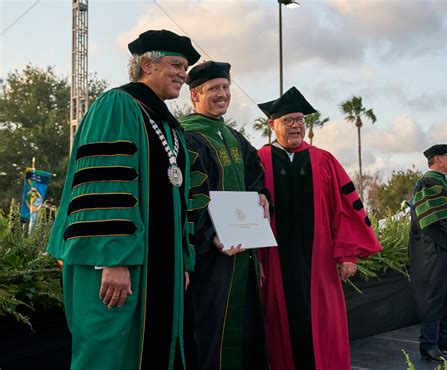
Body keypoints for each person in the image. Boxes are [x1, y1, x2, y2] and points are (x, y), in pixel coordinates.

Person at [47, 29, 200, 370]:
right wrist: (112, 258)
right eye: (176, 64)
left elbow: (180, 199)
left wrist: (181, 261)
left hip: (158, 265)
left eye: (185, 68)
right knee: (110, 352)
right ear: (147, 63)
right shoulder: (117, 106)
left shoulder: (170, 125)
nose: (182, 74)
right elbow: (104, 184)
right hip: (114, 263)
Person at [256, 86, 382, 370]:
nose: (296, 126)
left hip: (320, 262)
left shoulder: (323, 159)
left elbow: (346, 207)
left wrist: (347, 253)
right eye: (288, 120)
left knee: (323, 323)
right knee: (277, 322)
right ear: (272, 124)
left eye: (300, 120)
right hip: (274, 259)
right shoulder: (258, 160)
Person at [180, 61, 270, 370]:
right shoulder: (187, 137)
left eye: (226, 87)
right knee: (213, 328)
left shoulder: (233, 136)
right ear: (195, 95)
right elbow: (190, 195)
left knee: (247, 327)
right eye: (214, 88)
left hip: (243, 251)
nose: (222, 94)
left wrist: (262, 195)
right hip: (212, 256)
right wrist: (210, 235)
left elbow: (255, 175)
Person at [408, 144, 447, 363]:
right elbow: (436, 220)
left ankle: (444, 341)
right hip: (432, 249)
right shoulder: (427, 183)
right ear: (437, 159)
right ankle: (429, 345)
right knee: (434, 295)